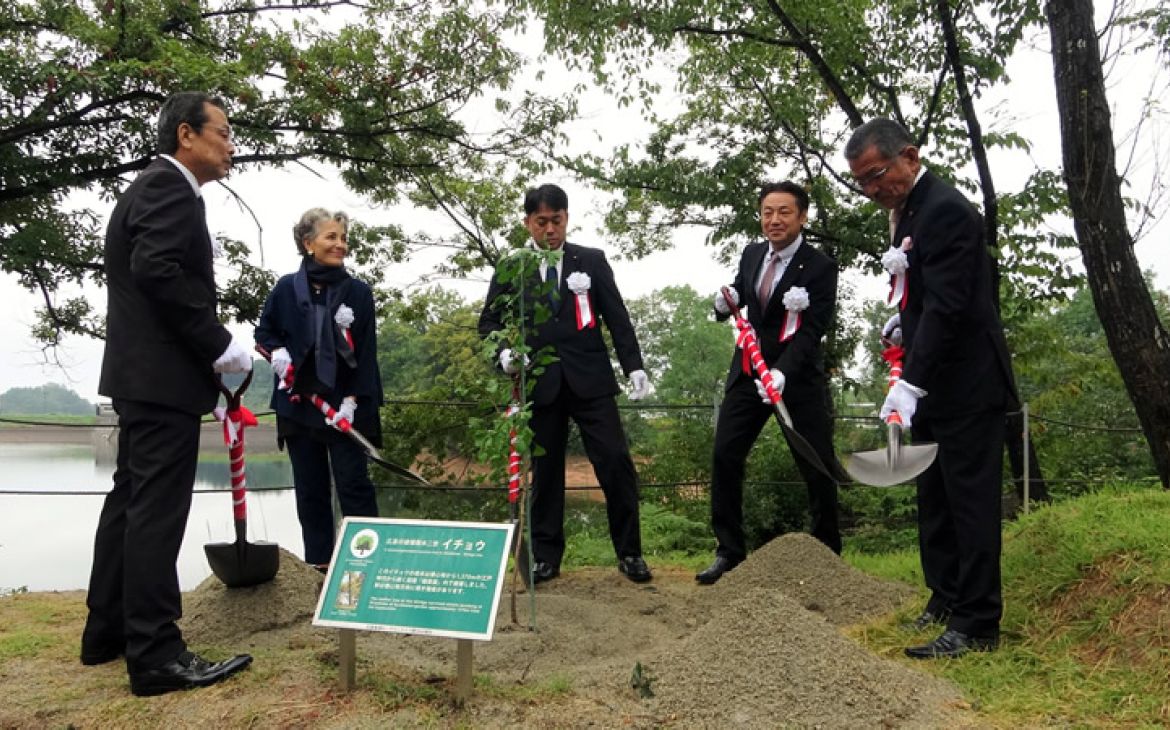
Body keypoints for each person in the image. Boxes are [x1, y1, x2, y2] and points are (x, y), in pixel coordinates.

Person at [80, 92, 254, 696]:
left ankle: (107, 631)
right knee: (156, 509)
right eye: (224, 132)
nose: (232, 144)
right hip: (160, 378)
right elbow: (158, 270)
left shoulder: (150, 188)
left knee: (130, 500)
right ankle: (155, 652)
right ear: (187, 134)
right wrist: (217, 341)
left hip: (139, 377)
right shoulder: (170, 188)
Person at [845, 119, 1017, 659]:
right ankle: (944, 596)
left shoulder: (946, 209)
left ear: (909, 157)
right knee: (935, 495)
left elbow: (951, 304)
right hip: (934, 379)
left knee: (969, 501)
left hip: (967, 381)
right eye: (862, 183)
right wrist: (903, 324)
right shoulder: (908, 213)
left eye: (877, 175)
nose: (872, 190)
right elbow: (924, 296)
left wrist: (910, 382)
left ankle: (977, 623)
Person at [478, 183, 653, 584]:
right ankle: (546, 557)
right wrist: (504, 355)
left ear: (567, 218)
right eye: (541, 222)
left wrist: (634, 366)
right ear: (528, 222)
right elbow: (488, 323)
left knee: (615, 464)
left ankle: (630, 553)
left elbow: (617, 316)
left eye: (557, 220)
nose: (550, 229)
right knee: (547, 471)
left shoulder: (590, 261)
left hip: (591, 380)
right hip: (540, 383)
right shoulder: (512, 266)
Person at [696, 181, 842, 586]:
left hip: (797, 379)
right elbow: (743, 294)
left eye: (784, 212)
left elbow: (812, 330)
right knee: (725, 455)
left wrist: (783, 371)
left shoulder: (820, 267)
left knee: (816, 463)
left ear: (802, 217)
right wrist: (722, 305)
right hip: (749, 373)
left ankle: (827, 553)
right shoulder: (751, 253)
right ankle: (728, 551)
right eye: (767, 212)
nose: (774, 220)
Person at [255, 208, 383, 572]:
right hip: (300, 404)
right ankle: (319, 569)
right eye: (331, 237)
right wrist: (277, 354)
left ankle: (366, 566)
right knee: (311, 493)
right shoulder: (285, 288)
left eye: (343, 238)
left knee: (354, 486)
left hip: (345, 407)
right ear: (308, 243)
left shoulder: (358, 292)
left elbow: (367, 351)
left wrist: (352, 400)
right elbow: (265, 333)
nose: (340, 245)